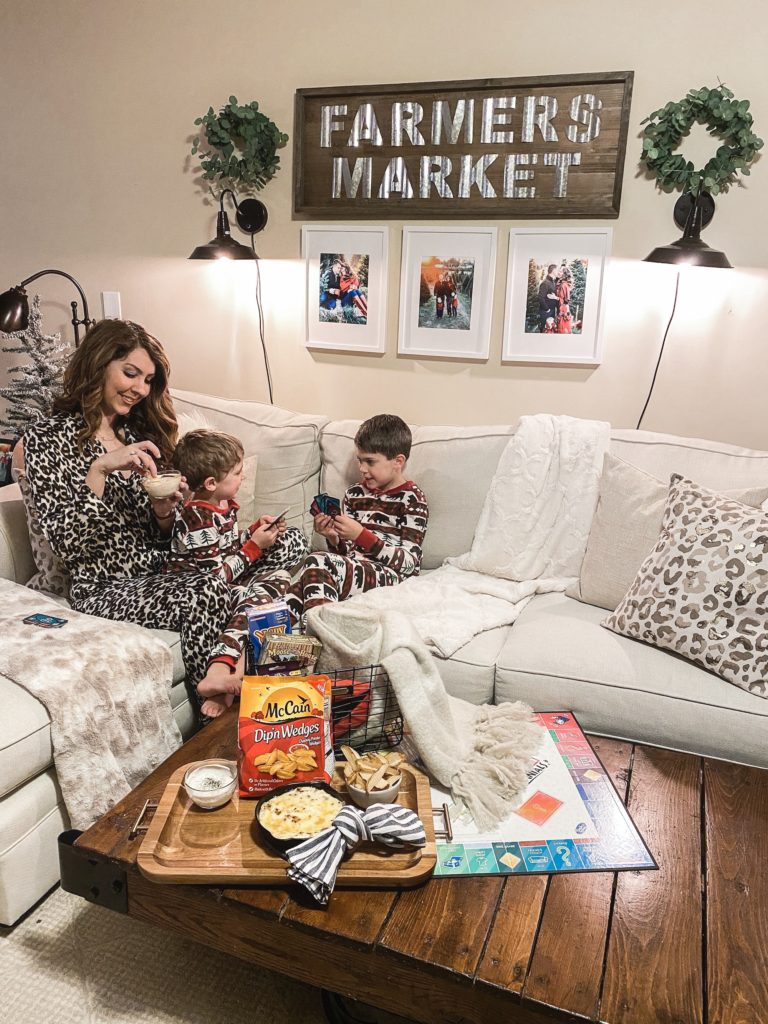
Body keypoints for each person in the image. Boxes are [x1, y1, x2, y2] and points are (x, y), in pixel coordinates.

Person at [21, 319, 307, 723]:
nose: (139, 389)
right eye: (130, 373)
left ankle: (274, 678)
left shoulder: (140, 429)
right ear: (98, 365)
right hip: (105, 586)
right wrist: (100, 470)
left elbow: (171, 537)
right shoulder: (47, 439)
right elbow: (70, 544)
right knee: (208, 590)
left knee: (291, 542)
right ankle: (221, 719)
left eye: (147, 379)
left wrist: (164, 512)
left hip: (167, 567)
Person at [166, 428, 308, 716]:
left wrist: (255, 533)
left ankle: (241, 664)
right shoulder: (197, 518)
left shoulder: (220, 504)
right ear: (210, 482)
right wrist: (254, 547)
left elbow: (229, 546)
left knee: (283, 569)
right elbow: (214, 578)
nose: (243, 477)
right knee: (254, 595)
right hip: (201, 588)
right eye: (238, 472)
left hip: (232, 571)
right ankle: (222, 670)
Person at [285, 414, 429, 627]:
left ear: (398, 461)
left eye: (370, 461)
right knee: (294, 593)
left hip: (393, 576)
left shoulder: (412, 499)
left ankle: (318, 638)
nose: (362, 469)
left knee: (317, 561)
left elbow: (409, 563)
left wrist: (362, 535)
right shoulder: (354, 495)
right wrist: (334, 538)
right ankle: (268, 640)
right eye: (359, 460)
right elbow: (345, 557)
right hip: (356, 569)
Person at [538, 264, 559, 333]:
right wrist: (547, 309)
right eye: (557, 270)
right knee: (544, 330)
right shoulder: (545, 283)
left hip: (552, 311)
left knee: (550, 331)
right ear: (553, 270)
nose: (558, 272)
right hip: (546, 312)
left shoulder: (552, 282)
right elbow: (540, 297)